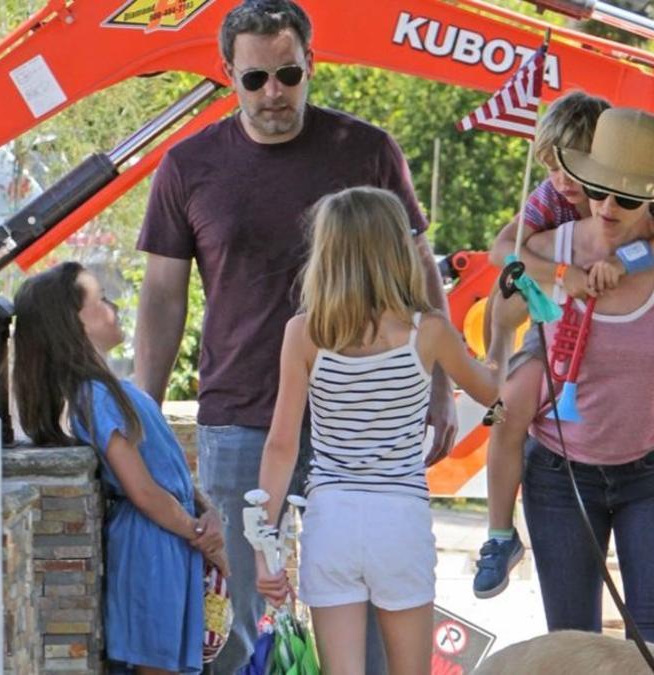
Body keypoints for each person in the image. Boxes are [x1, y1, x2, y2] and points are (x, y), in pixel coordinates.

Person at [132, 2, 457, 671]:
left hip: (359, 421)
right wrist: (145, 409)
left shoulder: (365, 151)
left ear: (312, 64)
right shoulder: (188, 165)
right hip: (243, 416)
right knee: (242, 618)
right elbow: (163, 295)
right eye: (255, 79)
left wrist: (442, 386)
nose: (273, 92)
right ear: (228, 74)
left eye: (288, 74)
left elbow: (419, 271)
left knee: (370, 607)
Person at [472, 95, 654, 600]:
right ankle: (499, 533)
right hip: (552, 355)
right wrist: (562, 278)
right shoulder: (548, 211)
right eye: (594, 189)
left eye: (624, 197)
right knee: (505, 409)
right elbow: (505, 258)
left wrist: (631, 262)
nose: (604, 205)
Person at [253, 187, 500, 675]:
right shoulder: (427, 331)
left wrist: (264, 547)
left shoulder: (304, 333)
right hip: (398, 518)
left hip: (331, 519)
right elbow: (494, 393)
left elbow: (281, 446)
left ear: (327, 252)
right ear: (397, 249)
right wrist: (504, 330)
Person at [13, 261, 229, 674]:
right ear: (74, 324)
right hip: (153, 545)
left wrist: (205, 512)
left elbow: (166, 473)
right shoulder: (94, 395)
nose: (113, 307)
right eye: (100, 299)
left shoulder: (111, 390)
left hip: (170, 535)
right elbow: (142, 489)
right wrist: (202, 536)